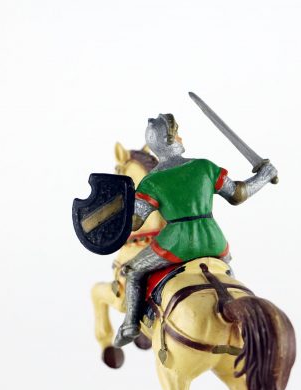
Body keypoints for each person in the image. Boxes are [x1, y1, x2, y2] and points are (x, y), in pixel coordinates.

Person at [113, 113, 278, 347]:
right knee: (226, 270)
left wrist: (116, 208)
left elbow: (134, 223)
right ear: (169, 139)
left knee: (132, 270)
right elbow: (238, 194)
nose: (180, 137)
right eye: (177, 133)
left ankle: (130, 324)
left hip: (177, 243)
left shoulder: (151, 182)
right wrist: (264, 176)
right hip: (214, 240)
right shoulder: (204, 167)